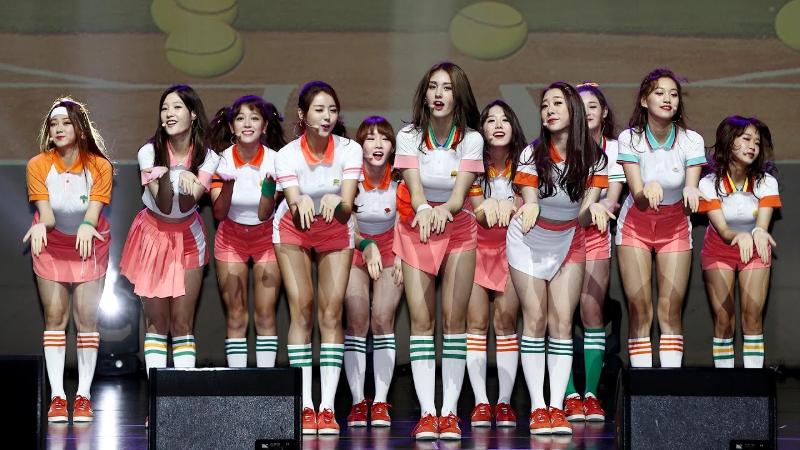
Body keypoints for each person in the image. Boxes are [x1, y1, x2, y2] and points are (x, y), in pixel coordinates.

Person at [507, 81, 611, 435]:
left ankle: (556, 406)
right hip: (528, 242)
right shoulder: (531, 154)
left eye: (557, 104)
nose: (549, 110)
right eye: (545, 105)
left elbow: (582, 215)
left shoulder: (596, 158)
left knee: (563, 324)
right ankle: (539, 407)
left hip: (569, 240)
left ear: (574, 111)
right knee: (535, 320)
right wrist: (531, 206)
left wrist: (594, 211)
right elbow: (529, 201)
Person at [393, 61, 484, 440]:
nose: (439, 94)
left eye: (447, 87)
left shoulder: (472, 140)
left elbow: (460, 197)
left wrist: (443, 210)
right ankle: (428, 413)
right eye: (433, 86)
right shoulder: (409, 135)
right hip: (418, 225)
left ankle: (449, 413)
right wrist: (424, 210)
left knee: (454, 321)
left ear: (458, 94)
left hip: (458, 226)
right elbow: (415, 192)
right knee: (421, 322)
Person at [273, 81, 362, 435]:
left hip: (336, 229)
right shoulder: (287, 155)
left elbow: (348, 206)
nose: (327, 117)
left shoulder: (350, 150)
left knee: (330, 312)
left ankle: (326, 407)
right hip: (294, 229)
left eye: (332, 110)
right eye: (319, 110)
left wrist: (339, 202)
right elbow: (293, 203)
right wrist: (301, 201)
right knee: (303, 309)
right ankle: (305, 405)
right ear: (302, 115)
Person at [120, 84, 220, 377]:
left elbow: (187, 204)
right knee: (157, 322)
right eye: (164, 108)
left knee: (182, 323)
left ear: (193, 114)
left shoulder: (208, 157)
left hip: (189, 237)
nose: (169, 113)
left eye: (177, 107)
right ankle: (156, 393)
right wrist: (166, 179)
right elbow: (164, 205)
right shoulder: (148, 152)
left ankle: (182, 394)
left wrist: (189, 181)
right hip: (152, 235)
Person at [25, 98, 113, 423]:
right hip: (51, 244)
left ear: (81, 129)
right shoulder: (37, 165)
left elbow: (92, 215)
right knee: (55, 317)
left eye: (66, 123)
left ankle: (84, 396)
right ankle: (58, 397)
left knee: (86, 317)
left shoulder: (100, 167)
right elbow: (47, 215)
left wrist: (88, 225)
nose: (59, 129)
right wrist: (40, 226)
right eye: (53, 123)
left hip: (90, 242)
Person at [615, 68, 706, 368]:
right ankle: (643, 386)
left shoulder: (692, 140)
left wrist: (692, 191)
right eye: (659, 93)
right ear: (644, 100)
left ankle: (669, 387)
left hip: (675, 226)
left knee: (670, 310)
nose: (668, 99)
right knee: (640, 309)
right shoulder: (630, 138)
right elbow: (638, 196)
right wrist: (646, 189)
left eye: (674, 94)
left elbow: (691, 191)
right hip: (636, 225)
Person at [562, 82, 626, 422]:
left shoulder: (614, 149)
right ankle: (569, 394)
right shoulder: (561, 145)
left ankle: (590, 395)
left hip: (596, 234)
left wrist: (602, 207)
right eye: (580, 105)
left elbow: (612, 198)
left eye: (593, 105)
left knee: (592, 314)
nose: (587, 111)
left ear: (604, 112)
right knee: (560, 317)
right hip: (560, 236)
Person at [208, 95, 286, 368]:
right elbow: (219, 213)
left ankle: (265, 383)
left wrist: (269, 189)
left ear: (265, 126)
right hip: (230, 238)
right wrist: (228, 186)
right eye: (240, 118)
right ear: (232, 127)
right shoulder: (219, 161)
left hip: (267, 238)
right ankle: (237, 383)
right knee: (236, 314)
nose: (247, 124)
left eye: (254, 118)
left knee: (265, 314)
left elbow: (265, 213)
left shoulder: (277, 161)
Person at [698, 116, 780, 368]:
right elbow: (723, 230)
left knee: (752, 317)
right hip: (718, 249)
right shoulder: (708, 183)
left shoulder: (767, 182)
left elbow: (761, 227)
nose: (752, 146)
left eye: (756, 142)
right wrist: (740, 235)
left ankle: (752, 384)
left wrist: (758, 233)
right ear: (728, 141)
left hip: (755, 249)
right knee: (724, 320)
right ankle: (726, 383)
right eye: (746, 139)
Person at [465, 100, 525, 429]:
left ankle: (503, 402)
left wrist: (509, 205)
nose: (498, 125)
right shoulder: (472, 165)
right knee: (476, 325)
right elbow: (478, 209)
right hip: (475, 250)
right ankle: (480, 402)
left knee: (505, 323)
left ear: (514, 126)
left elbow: (527, 205)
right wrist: (491, 205)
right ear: (481, 129)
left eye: (505, 119)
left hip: (512, 251)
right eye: (490, 120)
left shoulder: (526, 163)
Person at [343, 116, 404, 428]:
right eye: (370, 138)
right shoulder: (350, 179)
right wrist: (366, 245)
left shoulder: (401, 181)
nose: (378, 144)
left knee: (381, 318)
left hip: (392, 250)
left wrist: (403, 257)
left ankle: (379, 402)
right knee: (357, 321)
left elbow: (406, 225)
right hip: (355, 248)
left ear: (393, 147)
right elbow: (347, 228)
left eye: (384, 138)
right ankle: (357, 401)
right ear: (360, 146)